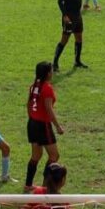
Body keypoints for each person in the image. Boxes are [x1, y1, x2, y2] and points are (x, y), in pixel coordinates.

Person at [24, 61, 62, 191]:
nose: (52, 73)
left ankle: (28, 184)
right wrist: (57, 126)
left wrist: (32, 117)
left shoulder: (33, 86)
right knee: (54, 156)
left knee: (36, 156)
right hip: (43, 125)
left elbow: (28, 104)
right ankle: (46, 185)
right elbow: (49, 109)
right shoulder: (47, 88)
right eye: (51, 71)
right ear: (47, 73)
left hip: (32, 124)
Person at [54, 0, 87, 72]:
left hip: (78, 16)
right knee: (64, 40)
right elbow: (60, 2)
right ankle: (55, 63)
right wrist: (65, 15)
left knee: (79, 38)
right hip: (69, 17)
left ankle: (77, 61)